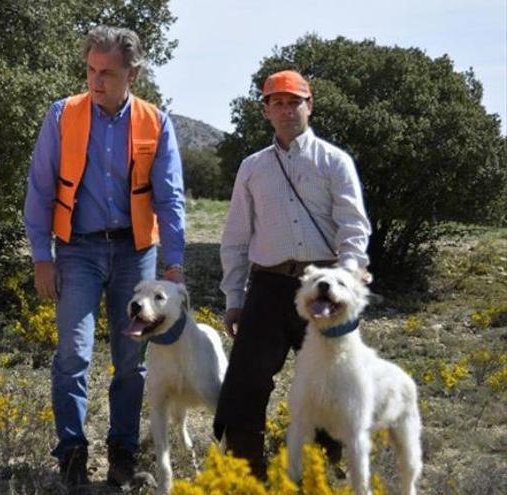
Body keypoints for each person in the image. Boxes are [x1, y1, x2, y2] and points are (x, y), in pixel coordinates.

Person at [23, 25, 186, 494]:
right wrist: (42, 257)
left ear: (132, 73)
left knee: (131, 360)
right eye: (91, 71)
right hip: (77, 251)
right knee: (74, 354)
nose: (96, 81)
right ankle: (72, 456)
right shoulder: (62, 115)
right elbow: (39, 189)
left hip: (137, 254)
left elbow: (171, 199)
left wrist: (172, 267)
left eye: (108, 73)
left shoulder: (156, 122)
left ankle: (122, 455)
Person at [213, 69, 372, 479]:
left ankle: (315, 473)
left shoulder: (335, 162)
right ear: (265, 110)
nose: (286, 110)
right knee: (246, 381)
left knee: (329, 383)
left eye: (294, 101)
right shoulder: (251, 168)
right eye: (277, 102)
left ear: (309, 105)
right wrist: (234, 298)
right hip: (267, 286)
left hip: (323, 287)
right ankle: (248, 475)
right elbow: (235, 237)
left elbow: (354, 229)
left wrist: (346, 286)